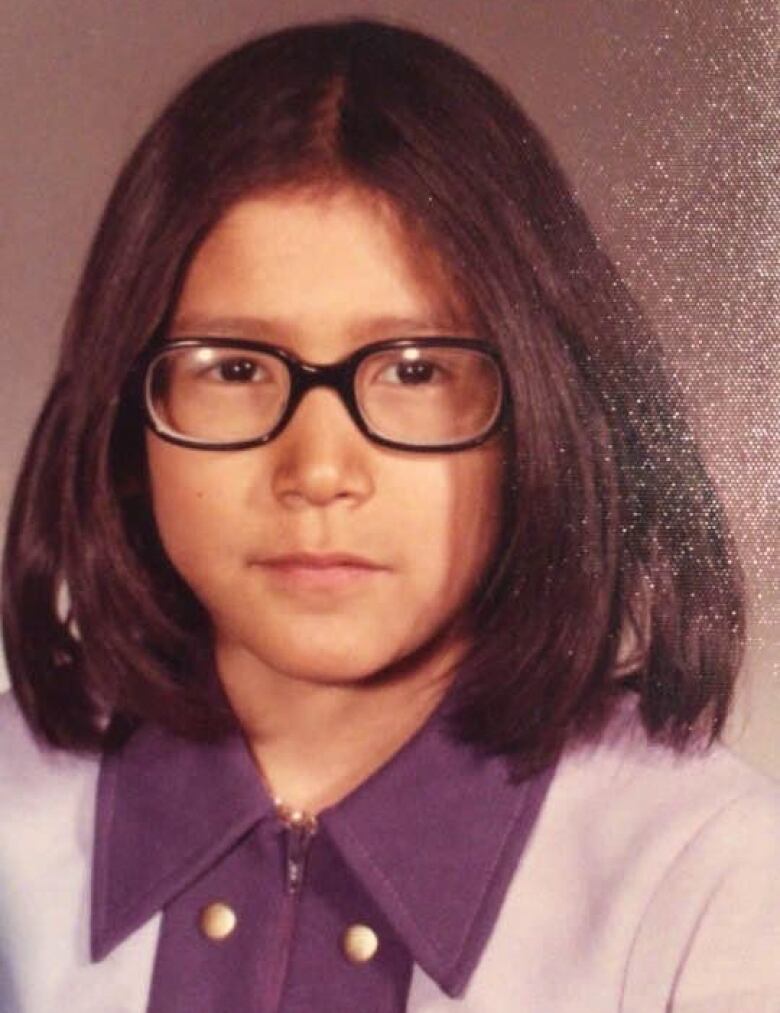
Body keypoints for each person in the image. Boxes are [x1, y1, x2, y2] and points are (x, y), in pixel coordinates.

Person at [1, 17, 778, 1013]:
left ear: (541, 407)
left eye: (415, 369)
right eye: (235, 367)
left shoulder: (711, 883)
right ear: (124, 415)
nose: (319, 470)